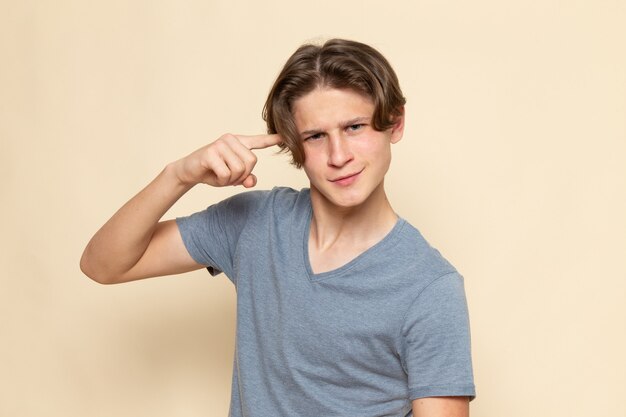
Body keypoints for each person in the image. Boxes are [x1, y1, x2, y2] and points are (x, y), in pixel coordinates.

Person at [81, 38, 476, 417]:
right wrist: (179, 176)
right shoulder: (255, 224)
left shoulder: (429, 288)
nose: (339, 156)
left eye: (354, 127)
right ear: (293, 146)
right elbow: (103, 264)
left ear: (395, 123)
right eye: (316, 136)